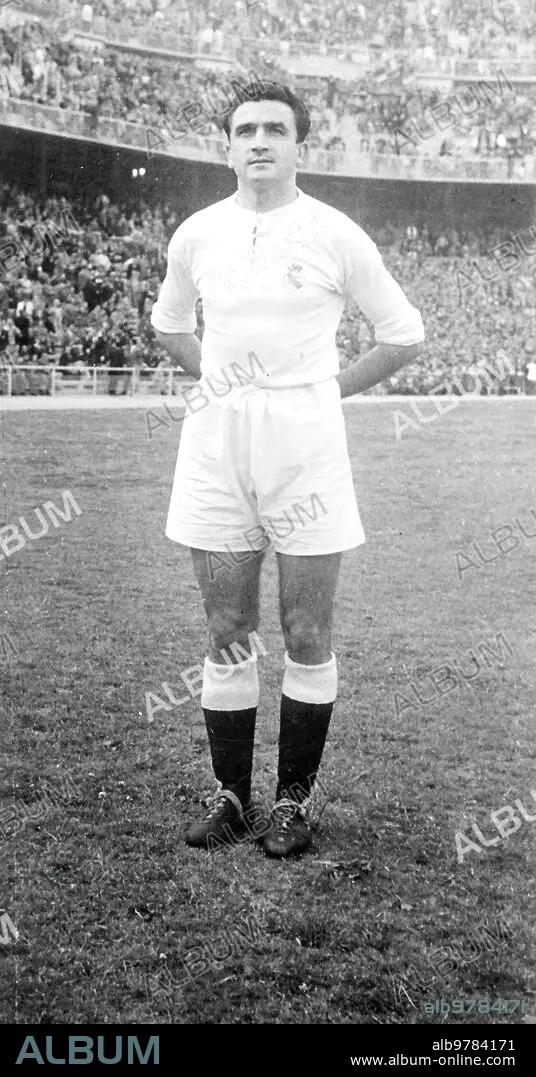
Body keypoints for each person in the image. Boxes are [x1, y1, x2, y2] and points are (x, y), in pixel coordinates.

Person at [151, 79, 424, 859]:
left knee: (306, 627)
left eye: (275, 129)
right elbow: (169, 324)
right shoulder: (197, 233)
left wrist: (322, 390)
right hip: (216, 445)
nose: (260, 141)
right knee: (226, 627)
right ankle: (231, 797)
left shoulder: (336, 232)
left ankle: (293, 801)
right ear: (227, 148)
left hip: (306, 445)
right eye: (246, 130)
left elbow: (404, 333)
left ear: (300, 145)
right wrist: (224, 384)